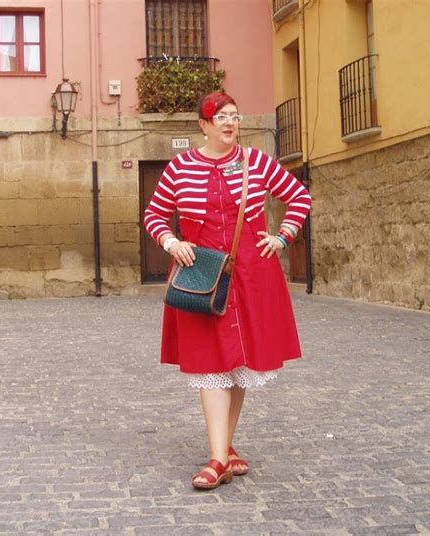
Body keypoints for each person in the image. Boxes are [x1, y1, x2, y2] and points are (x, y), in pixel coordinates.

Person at [144, 92, 312, 490]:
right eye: (220, 117)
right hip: (201, 274)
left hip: (252, 274)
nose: (229, 122)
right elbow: (154, 214)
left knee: (238, 363)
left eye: (234, 116)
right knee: (209, 366)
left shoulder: (257, 163)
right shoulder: (181, 168)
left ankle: (224, 448)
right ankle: (219, 457)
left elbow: (299, 197)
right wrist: (171, 242)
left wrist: (283, 237)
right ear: (203, 125)